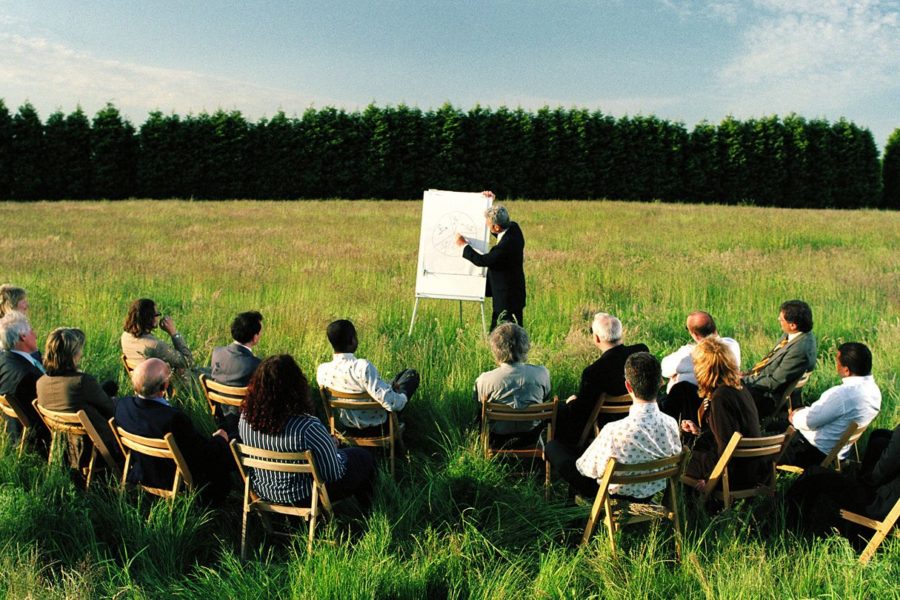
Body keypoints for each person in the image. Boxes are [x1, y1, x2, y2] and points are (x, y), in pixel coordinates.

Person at [239, 355, 376, 509]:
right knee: (363, 457)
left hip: (265, 492)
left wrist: (326, 445)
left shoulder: (244, 420)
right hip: (304, 496)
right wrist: (335, 451)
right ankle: (369, 512)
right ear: (296, 387)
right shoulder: (307, 426)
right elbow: (332, 474)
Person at [544, 352, 681, 500]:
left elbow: (586, 469)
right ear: (661, 383)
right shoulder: (671, 424)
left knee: (553, 448)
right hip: (650, 491)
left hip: (614, 496)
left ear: (628, 386)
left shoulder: (614, 430)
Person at [114, 358, 232, 505]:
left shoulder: (122, 406)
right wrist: (220, 439)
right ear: (165, 386)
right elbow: (202, 456)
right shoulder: (174, 419)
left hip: (141, 472)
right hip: (171, 479)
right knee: (224, 448)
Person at [786, 425, 900, 543]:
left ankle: (789, 526)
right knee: (879, 436)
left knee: (813, 473)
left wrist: (861, 481)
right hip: (889, 503)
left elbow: (883, 469)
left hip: (877, 504)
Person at [778, 342, 881, 469]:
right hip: (838, 452)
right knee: (780, 424)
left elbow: (808, 422)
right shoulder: (875, 391)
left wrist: (794, 416)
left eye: (837, 362)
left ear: (846, 370)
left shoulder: (842, 394)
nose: (836, 365)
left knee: (762, 448)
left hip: (812, 451)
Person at [682, 337, 766, 492]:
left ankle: (678, 509)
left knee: (676, 460)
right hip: (751, 466)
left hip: (734, 474)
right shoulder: (738, 388)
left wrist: (709, 480)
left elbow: (725, 448)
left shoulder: (720, 398)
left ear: (703, 368)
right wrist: (701, 430)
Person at [555, 312, 648, 446]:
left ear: (597, 338)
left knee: (562, 409)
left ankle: (565, 451)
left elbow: (582, 411)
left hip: (609, 425)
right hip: (639, 420)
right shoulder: (641, 352)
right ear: (620, 333)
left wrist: (572, 402)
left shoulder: (593, 372)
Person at [316, 319, 419, 436]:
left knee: (394, 380)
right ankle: (396, 426)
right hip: (377, 426)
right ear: (352, 340)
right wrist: (403, 396)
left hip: (348, 426)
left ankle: (389, 388)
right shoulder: (362, 367)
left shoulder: (322, 370)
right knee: (410, 374)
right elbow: (390, 403)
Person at [36, 327, 119, 470]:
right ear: (72, 355)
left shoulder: (41, 382)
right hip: (92, 446)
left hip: (65, 445)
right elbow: (110, 410)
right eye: (79, 350)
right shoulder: (82, 382)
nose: (81, 353)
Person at [455, 192, 526, 330]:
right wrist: (489, 203)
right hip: (516, 293)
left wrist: (463, 245)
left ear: (497, 227)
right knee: (515, 332)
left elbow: (481, 260)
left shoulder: (502, 250)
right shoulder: (514, 228)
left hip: (506, 298)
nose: (487, 226)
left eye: (488, 224)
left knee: (502, 334)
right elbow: (498, 228)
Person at [474, 322, 551, 446]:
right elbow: (546, 397)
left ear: (495, 349)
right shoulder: (542, 374)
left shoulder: (484, 380)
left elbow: (479, 405)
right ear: (525, 347)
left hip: (498, 438)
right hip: (531, 436)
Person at [660, 311, 740, 422]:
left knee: (679, 388)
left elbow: (664, 369)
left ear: (695, 335)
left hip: (700, 409)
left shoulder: (690, 354)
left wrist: (677, 377)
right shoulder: (732, 345)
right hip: (724, 405)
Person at [742, 300, 817, 417]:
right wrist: (746, 375)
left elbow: (774, 382)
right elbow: (769, 362)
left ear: (793, 325)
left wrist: (743, 380)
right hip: (760, 381)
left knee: (723, 393)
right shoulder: (796, 335)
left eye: (782, 319)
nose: (778, 320)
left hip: (767, 396)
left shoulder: (800, 350)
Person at [0, 311, 49, 450]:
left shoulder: (5, 360)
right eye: (31, 331)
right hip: (37, 440)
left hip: (12, 432)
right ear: (23, 336)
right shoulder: (28, 375)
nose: (35, 335)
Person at [210, 311, 263, 435]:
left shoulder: (216, 353)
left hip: (222, 418)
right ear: (255, 338)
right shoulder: (256, 365)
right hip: (245, 424)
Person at [120, 298, 193, 371]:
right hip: (164, 381)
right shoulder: (155, 346)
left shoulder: (125, 336)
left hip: (140, 379)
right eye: (157, 314)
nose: (158, 317)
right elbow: (187, 361)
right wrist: (173, 333)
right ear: (149, 318)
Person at [0, 284, 41, 362]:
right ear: (11, 305)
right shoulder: (5, 331)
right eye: (23, 301)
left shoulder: (18, 325)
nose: (27, 305)